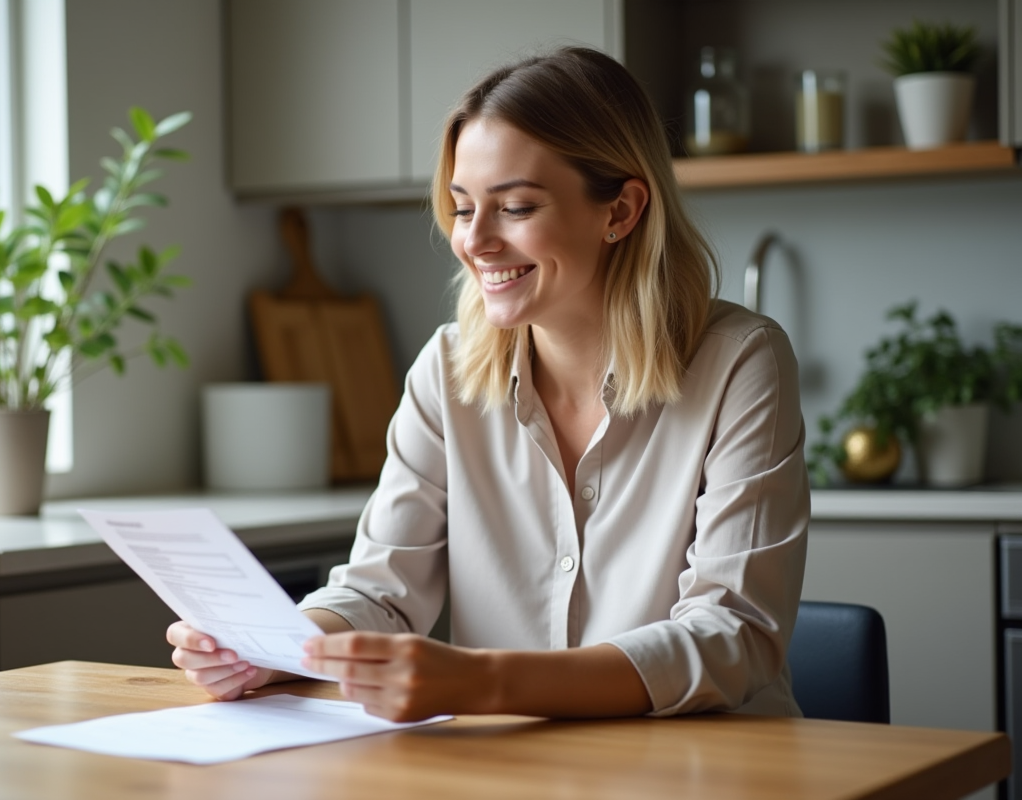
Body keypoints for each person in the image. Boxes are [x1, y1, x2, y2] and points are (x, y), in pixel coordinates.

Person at [168, 46, 809, 722]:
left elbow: (732, 634)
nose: (475, 241)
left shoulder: (742, 362)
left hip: (711, 770)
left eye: (517, 207)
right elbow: (381, 593)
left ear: (620, 211)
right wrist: (272, 648)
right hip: (512, 770)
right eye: (462, 207)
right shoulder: (445, 372)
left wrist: (484, 682)